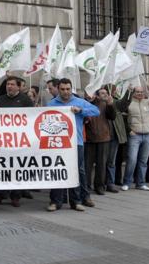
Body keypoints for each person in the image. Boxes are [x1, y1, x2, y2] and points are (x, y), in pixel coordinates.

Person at [47, 78, 100, 212]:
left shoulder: (79, 102)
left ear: (71, 89)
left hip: (76, 143)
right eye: (63, 89)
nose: (66, 92)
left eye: (68, 89)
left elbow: (96, 111)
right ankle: (55, 201)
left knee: (75, 172)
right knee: (56, 171)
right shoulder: (51, 104)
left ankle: (76, 201)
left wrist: (81, 110)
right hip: (57, 144)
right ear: (58, 89)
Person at [0, 76, 33, 207]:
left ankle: (15, 196)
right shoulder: (1, 100)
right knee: (1, 168)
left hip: (19, 141)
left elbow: (31, 118)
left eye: (12, 84)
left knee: (17, 169)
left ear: (19, 86)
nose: (9, 86)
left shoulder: (25, 100)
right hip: (3, 141)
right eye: (8, 84)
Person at [118, 86, 149, 191]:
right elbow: (122, 119)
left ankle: (140, 183)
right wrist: (129, 131)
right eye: (137, 92)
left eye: (141, 92)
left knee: (143, 161)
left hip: (147, 135)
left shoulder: (148, 102)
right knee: (132, 159)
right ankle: (127, 182)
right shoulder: (129, 103)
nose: (140, 94)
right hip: (135, 135)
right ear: (133, 93)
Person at [84, 88, 116, 196]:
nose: (105, 95)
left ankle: (100, 186)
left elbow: (112, 117)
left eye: (106, 93)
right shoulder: (88, 103)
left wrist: (111, 105)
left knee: (101, 164)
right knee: (88, 165)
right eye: (102, 93)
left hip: (103, 138)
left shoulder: (106, 104)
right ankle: (87, 186)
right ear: (96, 95)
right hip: (89, 139)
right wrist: (89, 101)